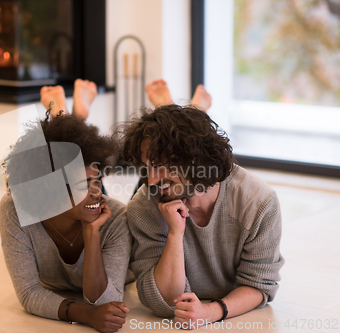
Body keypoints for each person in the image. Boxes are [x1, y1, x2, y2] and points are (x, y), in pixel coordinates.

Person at [122, 80, 284, 329]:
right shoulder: (143, 207)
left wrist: (211, 311)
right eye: (147, 167)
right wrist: (175, 234)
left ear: (193, 159)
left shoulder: (258, 201)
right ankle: (189, 108)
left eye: (160, 164)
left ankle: (191, 108)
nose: (151, 179)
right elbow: (163, 302)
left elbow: (259, 285)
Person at [0, 79, 132, 333]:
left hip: (110, 220)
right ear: (49, 189)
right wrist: (85, 314)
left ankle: (70, 116)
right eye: (86, 184)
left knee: (149, 190)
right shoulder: (15, 209)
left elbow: (105, 302)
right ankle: (69, 116)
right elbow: (28, 294)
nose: (97, 192)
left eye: (98, 180)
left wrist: (92, 234)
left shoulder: (117, 218)